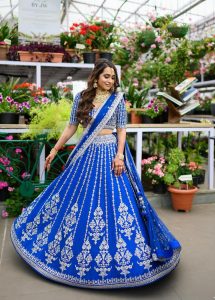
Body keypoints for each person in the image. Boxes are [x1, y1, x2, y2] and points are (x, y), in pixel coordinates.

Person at [11, 59, 181, 289]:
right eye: (106, 76)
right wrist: (54, 149)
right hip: (87, 153)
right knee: (77, 198)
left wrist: (119, 155)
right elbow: (72, 126)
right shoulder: (81, 97)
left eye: (113, 77)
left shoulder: (118, 100)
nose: (110, 81)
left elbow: (122, 129)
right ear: (96, 77)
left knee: (115, 199)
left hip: (110, 153)